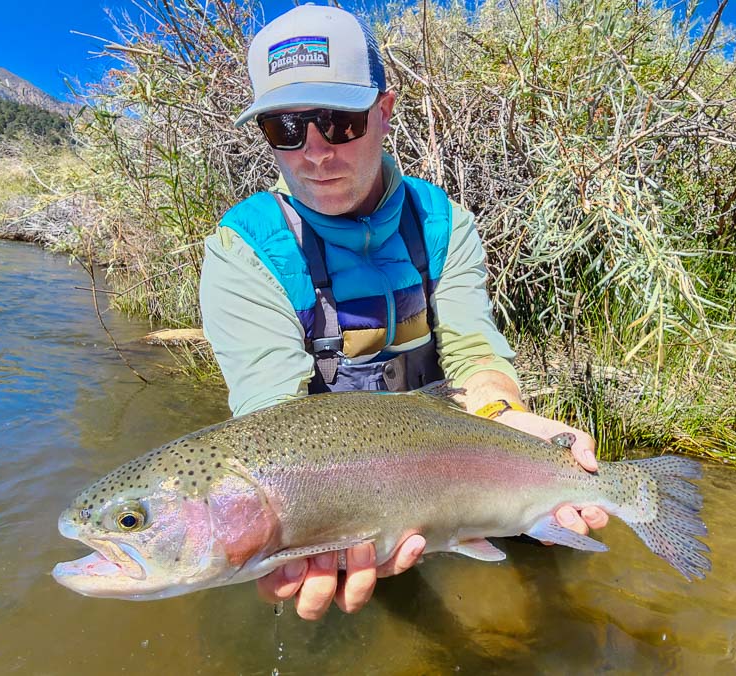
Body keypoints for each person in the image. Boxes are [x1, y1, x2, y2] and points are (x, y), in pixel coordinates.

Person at [198, 4, 608, 621]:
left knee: (563, 565)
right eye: (285, 128)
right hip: (341, 491)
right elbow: (271, 417)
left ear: (384, 113)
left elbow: (474, 353)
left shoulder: (443, 223)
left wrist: (503, 414)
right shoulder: (244, 248)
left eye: (338, 122)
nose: (314, 152)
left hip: (451, 450)